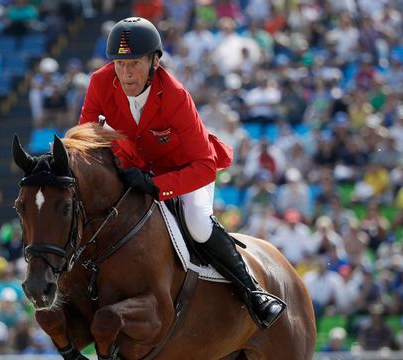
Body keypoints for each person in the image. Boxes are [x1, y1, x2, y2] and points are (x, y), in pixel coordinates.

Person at [78, 17, 285, 330]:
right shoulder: (100, 81)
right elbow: (86, 134)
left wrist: (156, 185)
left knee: (198, 224)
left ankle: (252, 291)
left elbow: (202, 165)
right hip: (135, 169)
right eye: (120, 64)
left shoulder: (174, 95)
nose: (126, 73)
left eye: (135, 63)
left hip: (186, 172)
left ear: (154, 62)